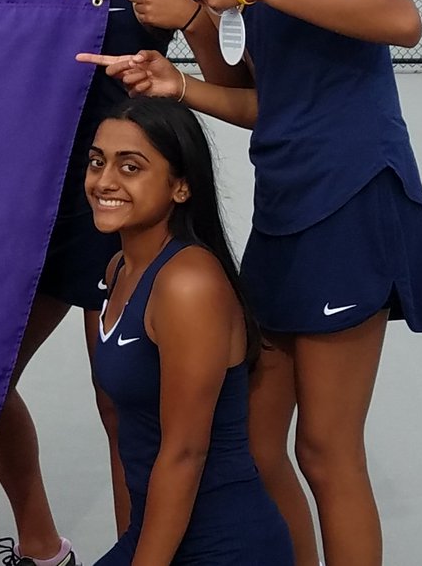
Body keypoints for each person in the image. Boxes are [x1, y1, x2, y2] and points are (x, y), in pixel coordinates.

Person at [80, 0, 422, 566]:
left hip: (351, 193)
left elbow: (399, 18)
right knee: (253, 441)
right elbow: (260, 103)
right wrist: (182, 68)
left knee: (326, 449)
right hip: (285, 205)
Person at [0, 0, 232, 566]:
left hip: (121, 208)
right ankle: (42, 545)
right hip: (38, 203)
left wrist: (188, 19)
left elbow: (230, 82)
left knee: (122, 408)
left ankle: (134, 552)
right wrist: (28, 11)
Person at [86, 97, 292, 565]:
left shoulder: (188, 285)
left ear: (181, 187)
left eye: (130, 167)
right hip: (156, 534)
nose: (104, 181)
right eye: (97, 162)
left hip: (226, 549)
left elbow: (184, 454)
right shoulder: (119, 269)